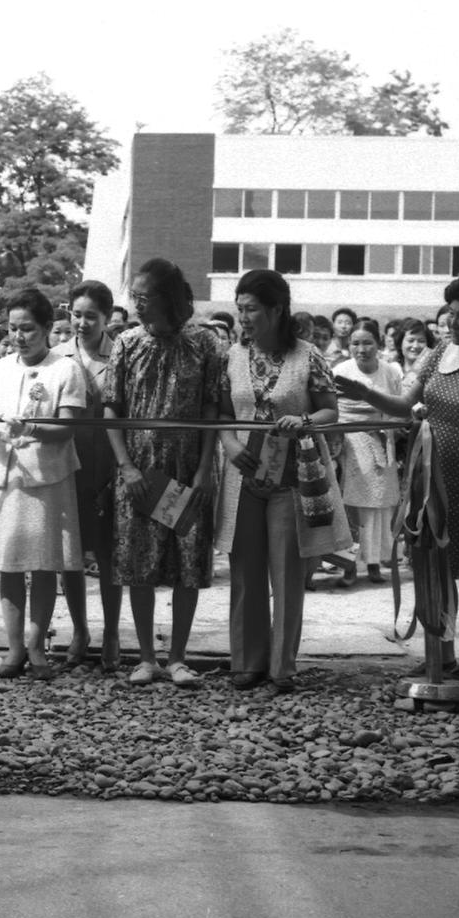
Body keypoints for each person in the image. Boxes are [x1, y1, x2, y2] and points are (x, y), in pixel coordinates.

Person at [337, 273, 459, 687]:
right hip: (433, 484)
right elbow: (403, 404)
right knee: (436, 568)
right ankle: (442, 653)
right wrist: (364, 393)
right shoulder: (440, 356)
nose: (452, 324)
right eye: (450, 314)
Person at [216, 270, 348, 693]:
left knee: (286, 574)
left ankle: (281, 667)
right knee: (244, 572)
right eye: (239, 310)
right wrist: (231, 445)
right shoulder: (233, 355)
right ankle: (246, 662)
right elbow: (221, 413)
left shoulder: (308, 356)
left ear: (276, 309)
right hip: (243, 477)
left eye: (251, 309)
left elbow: (331, 411)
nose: (244, 318)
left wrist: (305, 420)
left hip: (291, 478)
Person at [103, 260, 222, 686]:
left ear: (169, 298)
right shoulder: (126, 343)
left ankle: (179, 657)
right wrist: (127, 467)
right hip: (138, 473)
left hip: (188, 469)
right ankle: (146, 658)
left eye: (143, 296)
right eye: (133, 295)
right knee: (138, 563)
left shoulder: (206, 343)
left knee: (188, 562)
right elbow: (111, 408)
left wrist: (206, 467)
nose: (135, 303)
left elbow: (212, 407)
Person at [0, 288, 86, 679]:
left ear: (46, 329)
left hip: (45, 478)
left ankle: (38, 648)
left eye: (28, 330)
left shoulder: (66, 369)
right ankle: (14, 648)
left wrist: (32, 426)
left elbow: (70, 425)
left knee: (41, 566)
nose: (19, 337)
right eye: (12, 328)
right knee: (6, 565)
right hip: (3, 474)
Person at [60, 280, 119, 668]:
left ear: (107, 318)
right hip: (67, 465)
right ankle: (80, 629)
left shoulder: (122, 355)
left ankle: (112, 631)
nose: (82, 323)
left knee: (109, 555)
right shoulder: (57, 356)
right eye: (76, 314)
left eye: (91, 316)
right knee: (70, 557)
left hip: (108, 466)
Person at [333, 319, 402, 584]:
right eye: (355, 343)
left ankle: (374, 562)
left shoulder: (391, 372)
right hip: (348, 442)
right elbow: (333, 408)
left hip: (382, 441)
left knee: (380, 507)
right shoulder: (341, 370)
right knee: (351, 505)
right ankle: (348, 566)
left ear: (379, 343)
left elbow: (398, 407)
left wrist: (387, 429)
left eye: (367, 342)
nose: (361, 349)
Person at [392, 317, 435, 390]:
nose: (415, 346)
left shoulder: (433, 374)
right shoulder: (391, 369)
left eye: (421, 341)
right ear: (400, 343)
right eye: (410, 340)